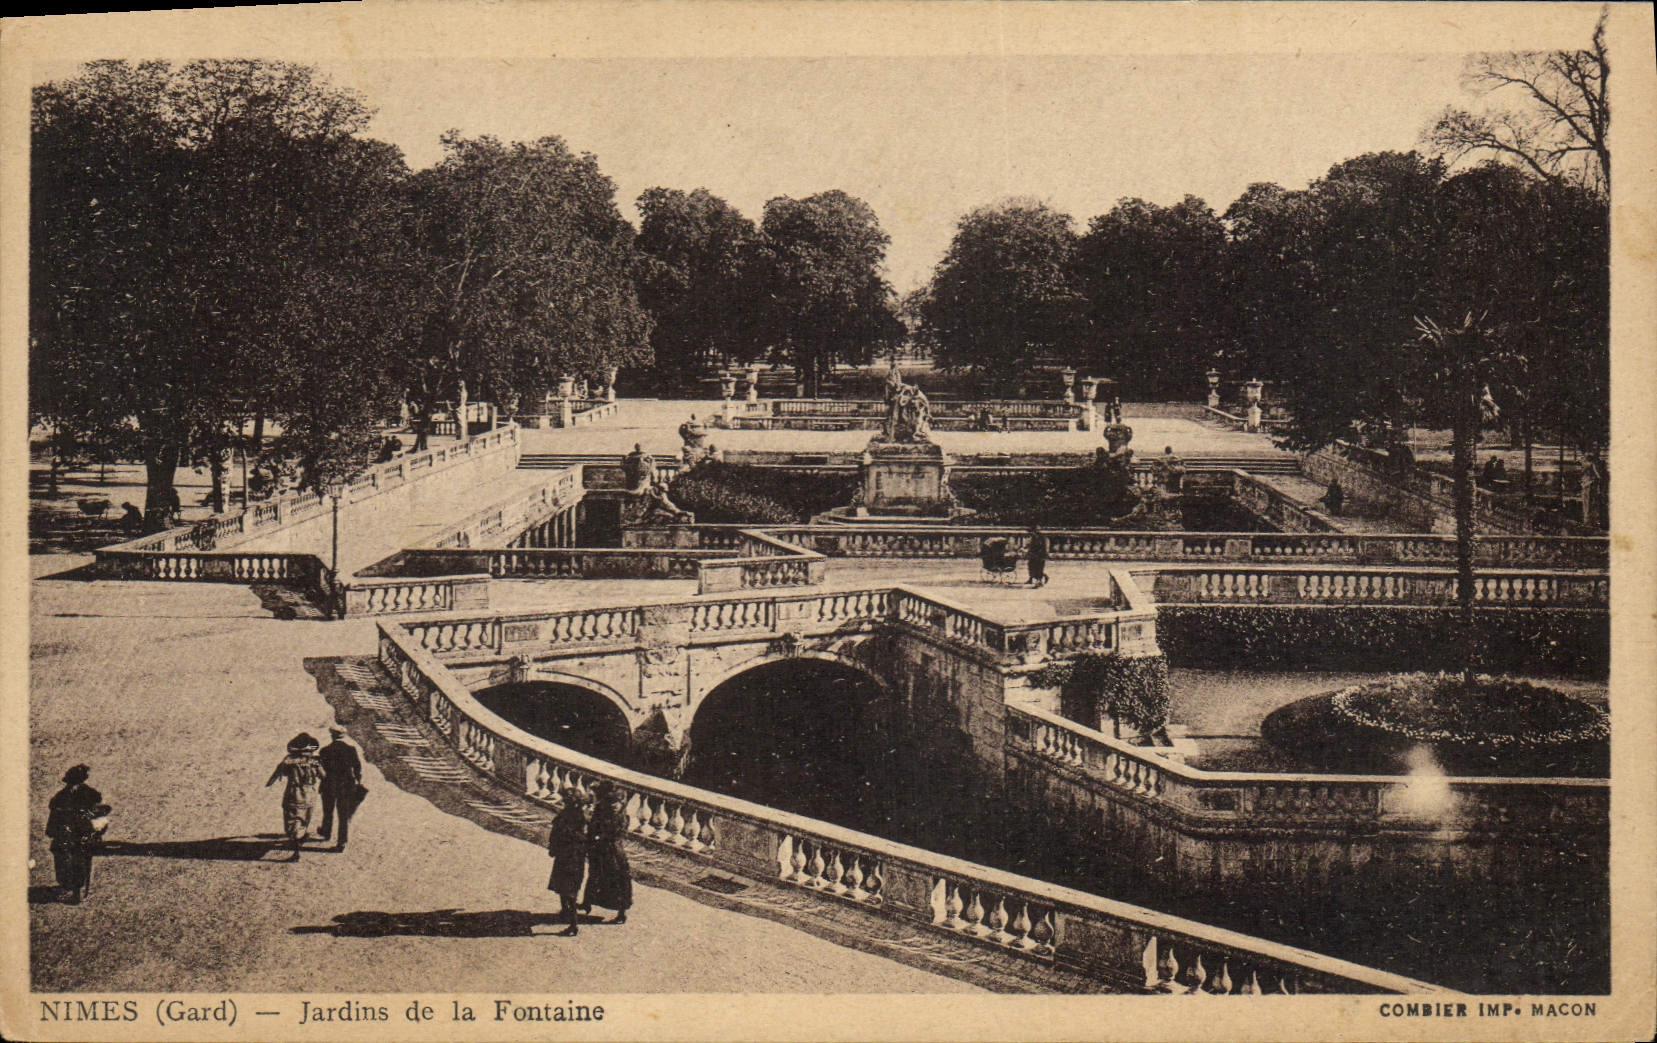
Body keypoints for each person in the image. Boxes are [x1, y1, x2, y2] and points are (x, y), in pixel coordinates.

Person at [46, 764, 107, 904]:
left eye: (74, 782)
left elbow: (101, 812)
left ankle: (76, 892)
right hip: (65, 835)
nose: (72, 786)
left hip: (82, 835)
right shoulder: (61, 796)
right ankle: (68, 888)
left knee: (80, 862)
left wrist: (93, 827)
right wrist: (53, 831)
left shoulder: (90, 794)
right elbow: (55, 814)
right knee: (63, 861)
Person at [266, 733, 324, 861]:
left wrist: (269, 783)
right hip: (310, 794)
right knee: (304, 819)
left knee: (292, 821)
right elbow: (323, 776)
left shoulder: (288, 761)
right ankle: (301, 836)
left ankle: (296, 850)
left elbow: (277, 775)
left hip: (294, 792)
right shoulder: (315, 761)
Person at [582, 781, 633, 925]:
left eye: (616, 802)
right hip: (599, 848)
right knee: (595, 874)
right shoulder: (601, 809)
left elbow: (619, 833)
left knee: (618, 880)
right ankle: (587, 902)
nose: (613, 805)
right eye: (611, 802)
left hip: (613, 851)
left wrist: (600, 836)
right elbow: (593, 826)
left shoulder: (621, 816)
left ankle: (621, 913)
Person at [546, 787, 590, 936]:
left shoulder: (579, 818)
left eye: (567, 800)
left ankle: (573, 925)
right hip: (567, 856)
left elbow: (579, 837)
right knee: (564, 888)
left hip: (572, 857)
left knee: (569, 890)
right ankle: (566, 913)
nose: (564, 802)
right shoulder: (570, 815)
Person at [317, 727, 363, 852]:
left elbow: (320, 769)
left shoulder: (325, 751)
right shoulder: (351, 750)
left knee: (328, 810)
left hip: (329, 784)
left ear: (332, 736)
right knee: (343, 815)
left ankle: (326, 832)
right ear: (343, 736)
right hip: (346, 785)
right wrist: (358, 779)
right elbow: (357, 767)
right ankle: (341, 842)